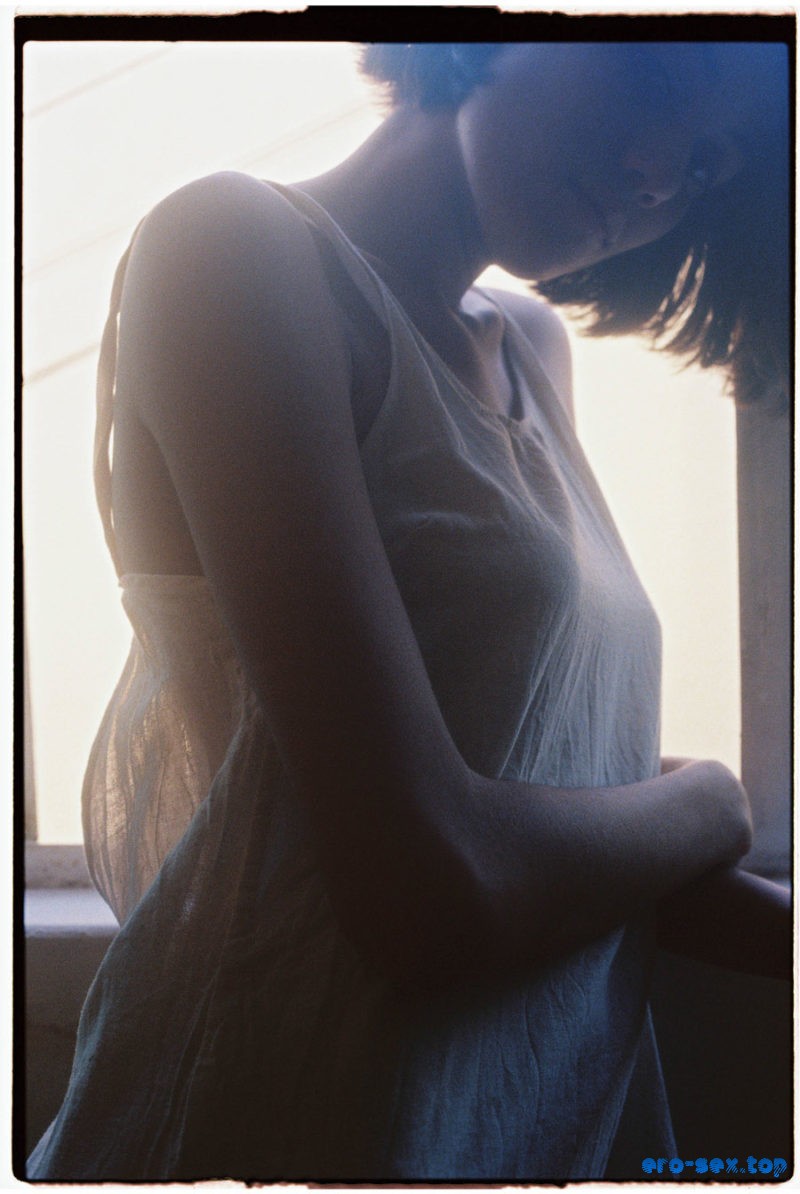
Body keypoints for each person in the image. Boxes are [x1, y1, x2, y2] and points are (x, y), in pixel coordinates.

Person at [28, 39, 790, 1182]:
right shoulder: (234, 248)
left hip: (527, 1131)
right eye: (654, 85)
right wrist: (712, 794)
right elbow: (429, 897)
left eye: (704, 166)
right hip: (280, 1123)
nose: (656, 173)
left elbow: (551, 825)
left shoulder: (530, 349)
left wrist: (703, 840)